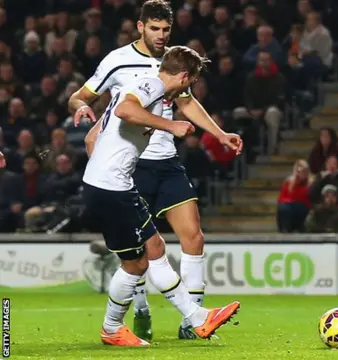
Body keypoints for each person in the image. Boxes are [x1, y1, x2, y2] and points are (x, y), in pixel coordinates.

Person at [68, 0, 243, 341]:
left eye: (167, 29)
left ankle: (121, 327)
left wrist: (216, 133)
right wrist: (169, 125)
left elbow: (129, 113)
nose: (185, 91)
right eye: (155, 28)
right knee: (148, 256)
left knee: (144, 259)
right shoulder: (139, 78)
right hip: (113, 184)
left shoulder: (157, 78)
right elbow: (123, 110)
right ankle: (192, 317)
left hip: (115, 182)